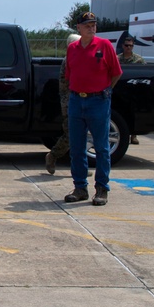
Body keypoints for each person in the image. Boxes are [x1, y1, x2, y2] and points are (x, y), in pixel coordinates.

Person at [63, 11, 122, 206]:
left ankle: (102, 188)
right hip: (76, 100)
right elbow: (69, 75)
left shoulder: (104, 46)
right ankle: (80, 187)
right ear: (78, 28)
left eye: (93, 24)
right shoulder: (72, 48)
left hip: (98, 100)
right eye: (87, 25)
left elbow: (116, 73)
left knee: (101, 147)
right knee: (77, 147)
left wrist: (106, 91)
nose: (91, 28)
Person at [45, 34, 79, 175]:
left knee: (81, 135)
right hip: (70, 103)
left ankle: (79, 166)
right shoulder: (69, 61)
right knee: (70, 135)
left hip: (81, 102)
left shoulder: (78, 59)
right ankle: (53, 156)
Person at [118, 35, 146, 144]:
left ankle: (133, 135)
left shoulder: (139, 60)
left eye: (131, 46)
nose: (128, 47)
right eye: (126, 45)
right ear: (122, 46)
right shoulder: (117, 59)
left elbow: (142, 74)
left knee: (133, 113)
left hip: (133, 91)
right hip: (120, 90)